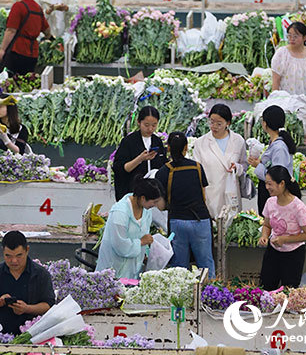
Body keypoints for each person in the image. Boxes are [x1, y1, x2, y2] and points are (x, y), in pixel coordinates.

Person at [155, 131, 214, 275]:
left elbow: (162, 205)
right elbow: (203, 197)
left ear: (168, 147)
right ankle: (212, 293)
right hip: (201, 220)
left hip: (177, 222)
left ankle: (182, 296)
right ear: (186, 147)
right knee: (205, 265)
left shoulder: (163, 172)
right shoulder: (197, 168)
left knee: (179, 269)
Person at [0, 230, 55, 335]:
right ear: (3, 251)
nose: (14, 261)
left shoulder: (40, 274)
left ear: (27, 250)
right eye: (8, 256)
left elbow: (48, 305)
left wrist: (27, 308)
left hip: (32, 334)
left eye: (19, 255)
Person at [96, 177, 164, 279]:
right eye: (154, 202)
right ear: (143, 198)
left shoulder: (146, 211)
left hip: (132, 268)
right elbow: (120, 245)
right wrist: (141, 242)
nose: (155, 205)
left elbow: (144, 233)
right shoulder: (120, 212)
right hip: (114, 266)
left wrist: (145, 253)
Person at [258, 166, 306, 291]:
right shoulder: (270, 202)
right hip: (272, 253)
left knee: (289, 293)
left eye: (269, 184)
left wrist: (285, 239)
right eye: (266, 184)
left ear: (282, 183)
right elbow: (267, 225)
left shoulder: (299, 207)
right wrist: (264, 236)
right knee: (266, 288)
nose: (267, 187)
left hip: (293, 255)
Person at [192, 104, 248, 219]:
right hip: (210, 193)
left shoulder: (238, 141)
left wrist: (237, 168)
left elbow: (244, 164)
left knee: (231, 228)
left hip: (231, 194)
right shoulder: (200, 143)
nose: (214, 127)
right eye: (211, 122)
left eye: (219, 123)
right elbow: (196, 172)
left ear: (228, 123)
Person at [0, 0, 50, 76]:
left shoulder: (18, 6)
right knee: (27, 82)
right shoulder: (38, 8)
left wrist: (2, 49)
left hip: (18, 51)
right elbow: (47, 30)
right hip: (32, 54)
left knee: (11, 83)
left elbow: (11, 30)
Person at [112, 106, 167, 201]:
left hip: (153, 194)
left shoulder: (157, 141)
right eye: (146, 125)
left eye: (154, 125)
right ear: (138, 122)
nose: (150, 129)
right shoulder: (128, 141)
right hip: (132, 192)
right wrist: (140, 159)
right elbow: (120, 168)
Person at [248, 105, 296, 215]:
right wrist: (261, 163)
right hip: (269, 189)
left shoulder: (279, 147)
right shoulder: (275, 143)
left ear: (265, 124)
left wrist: (258, 165)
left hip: (274, 192)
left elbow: (277, 175)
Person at [271, 21, 306, 96]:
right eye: (289, 35)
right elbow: (275, 81)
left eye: (295, 36)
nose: (292, 39)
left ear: (304, 37)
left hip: (304, 99)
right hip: (285, 100)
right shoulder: (281, 54)